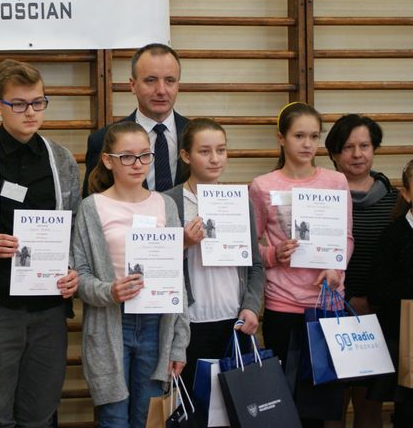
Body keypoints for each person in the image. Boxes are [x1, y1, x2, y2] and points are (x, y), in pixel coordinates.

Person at [0, 59, 80, 428]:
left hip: (48, 309)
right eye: (19, 104)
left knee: (39, 415)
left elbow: (72, 230)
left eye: (38, 102)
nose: (31, 112)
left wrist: (72, 270)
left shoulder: (62, 160)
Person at [72, 120, 188, 428]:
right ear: (108, 160)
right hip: (112, 323)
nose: (138, 164)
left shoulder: (165, 205)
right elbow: (79, 275)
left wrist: (178, 343)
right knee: (113, 417)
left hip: (157, 324)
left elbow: (178, 277)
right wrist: (109, 291)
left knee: (148, 417)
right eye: (127, 157)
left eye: (144, 155)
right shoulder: (92, 207)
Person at [249, 101, 354, 427]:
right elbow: (250, 248)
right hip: (282, 305)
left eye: (314, 136)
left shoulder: (336, 181)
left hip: (326, 305)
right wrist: (273, 254)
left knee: (318, 407)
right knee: (282, 402)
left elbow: (346, 237)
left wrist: (336, 268)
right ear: (281, 138)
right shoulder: (262, 186)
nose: (307, 144)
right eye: (299, 136)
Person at [163, 118, 264, 386]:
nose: (215, 159)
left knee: (235, 402)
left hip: (235, 319)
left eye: (221, 150)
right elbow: (155, 263)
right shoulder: (168, 201)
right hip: (190, 322)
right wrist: (183, 242)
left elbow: (255, 265)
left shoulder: (240, 201)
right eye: (204, 151)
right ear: (186, 156)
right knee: (194, 402)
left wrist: (251, 306)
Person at [325, 113, 399, 428]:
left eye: (365, 146)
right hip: (332, 311)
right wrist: (349, 297)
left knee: (370, 407)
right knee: (332, 407)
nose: (357, 154)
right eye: (348, 147)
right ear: (333, 154)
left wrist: (371, 298)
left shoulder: (395, 201)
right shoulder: (323, 199)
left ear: (374, 149)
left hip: (380, 314)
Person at [84, 43, 189, 195]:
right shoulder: (102, 140)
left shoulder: (196, 137)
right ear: (132, 85)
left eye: (170, 80)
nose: (161, 90)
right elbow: (94, 200)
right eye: (151, 80)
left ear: (178, 85)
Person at [369, 159, 413, 428]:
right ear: (406, 194)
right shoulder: (393, 235)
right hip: (405, 338)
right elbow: (378, 291)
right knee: (408, 412)